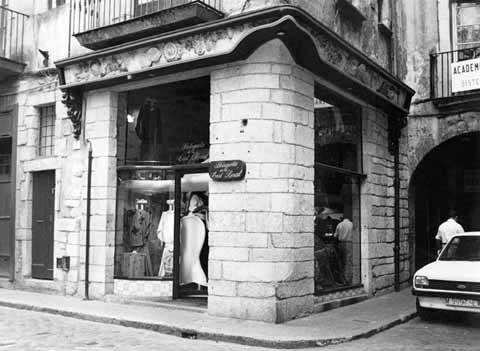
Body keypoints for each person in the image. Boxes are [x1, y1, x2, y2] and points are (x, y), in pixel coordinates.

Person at [334, 215, 353, 284]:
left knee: (341, 261)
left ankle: (342, 279)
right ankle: (348, 278)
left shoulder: (340, 224)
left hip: (341, 243)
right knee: (349, 260)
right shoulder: (352, 224)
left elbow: (335, 236)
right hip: (350, 243)